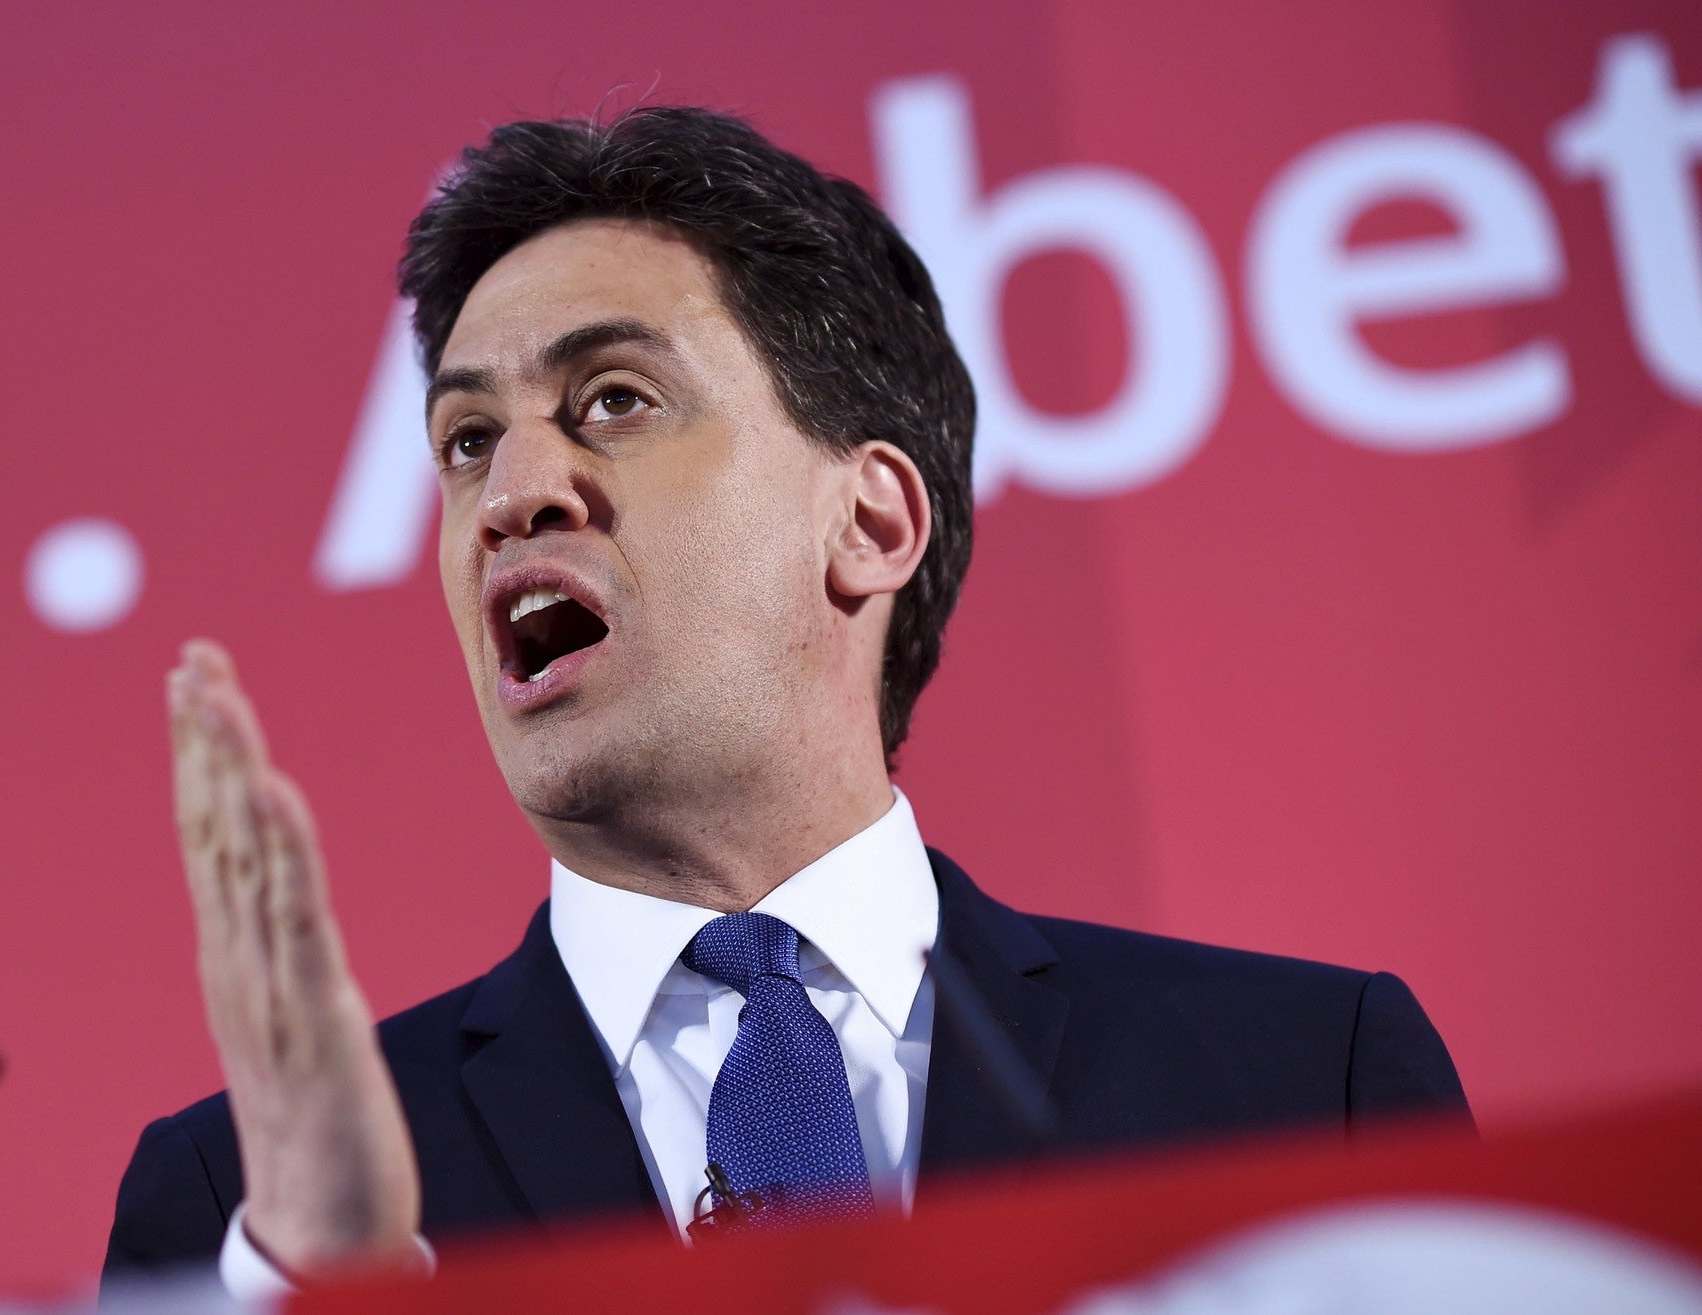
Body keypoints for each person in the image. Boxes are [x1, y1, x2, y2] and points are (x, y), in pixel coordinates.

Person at [102, 105, 1470, 1296]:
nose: (510, 497)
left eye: (615, 399)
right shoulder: (249, 1206)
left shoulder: (1304, 1087)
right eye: (468, 441)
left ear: (869, 521)